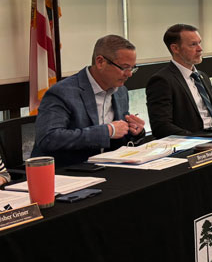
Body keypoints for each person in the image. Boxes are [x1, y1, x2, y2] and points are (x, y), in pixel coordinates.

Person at [31, 35, 146, 166]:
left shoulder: (120, 91)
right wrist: (107, 131)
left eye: (132, 68)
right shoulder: (63, 92)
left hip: (107, 168)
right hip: (67, 171)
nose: (129, 74)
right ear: (100, 62)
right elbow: (49, 138)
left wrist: (134, 131)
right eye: (124, 67)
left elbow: (118, 137)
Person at [146, 24, 212, 137]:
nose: (200, 49)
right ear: (175, 48)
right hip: (195, 141)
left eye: (199, 43)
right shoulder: (162, 80)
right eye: (193, 44)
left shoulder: (201, 76)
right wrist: (197, 138)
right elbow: (161, 126)